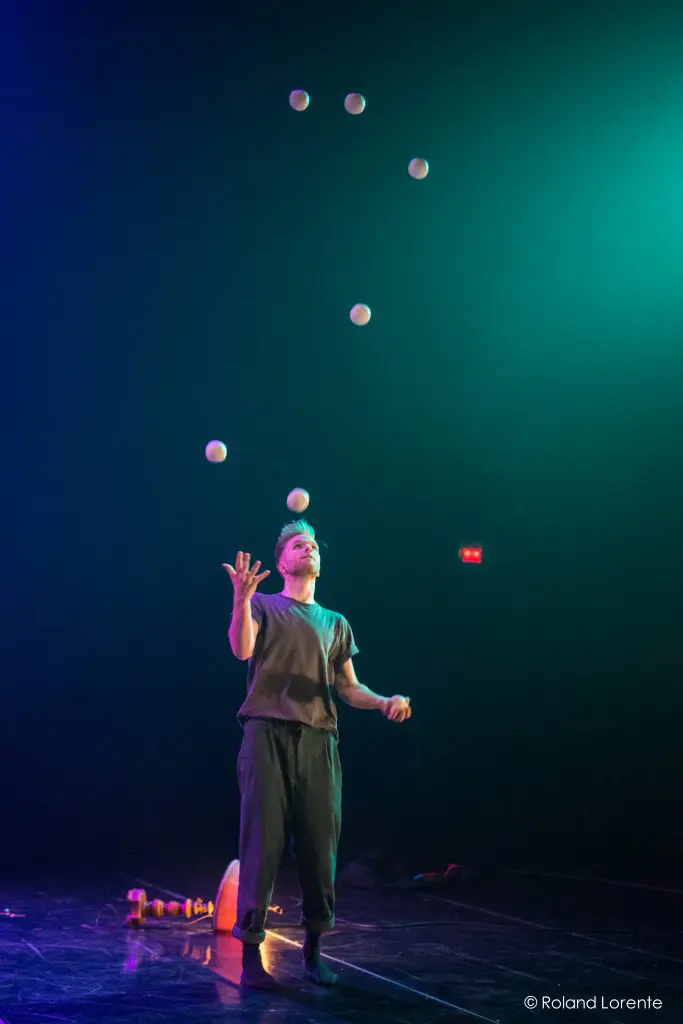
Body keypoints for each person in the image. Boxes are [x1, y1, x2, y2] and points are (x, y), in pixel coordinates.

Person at [222, 519, 411, 989]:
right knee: (261, 845)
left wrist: (383, 700)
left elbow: (349, 687)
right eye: (297, 545)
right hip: (266, 735)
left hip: (319, 741)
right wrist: (241, 600)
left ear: (319, 564)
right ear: (283, 561)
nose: (307, 549)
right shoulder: (264, 605)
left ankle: (314, 952)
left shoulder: (335, 623)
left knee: (319, 848)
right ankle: (250, 957)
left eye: (312, 546)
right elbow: (241, 649)